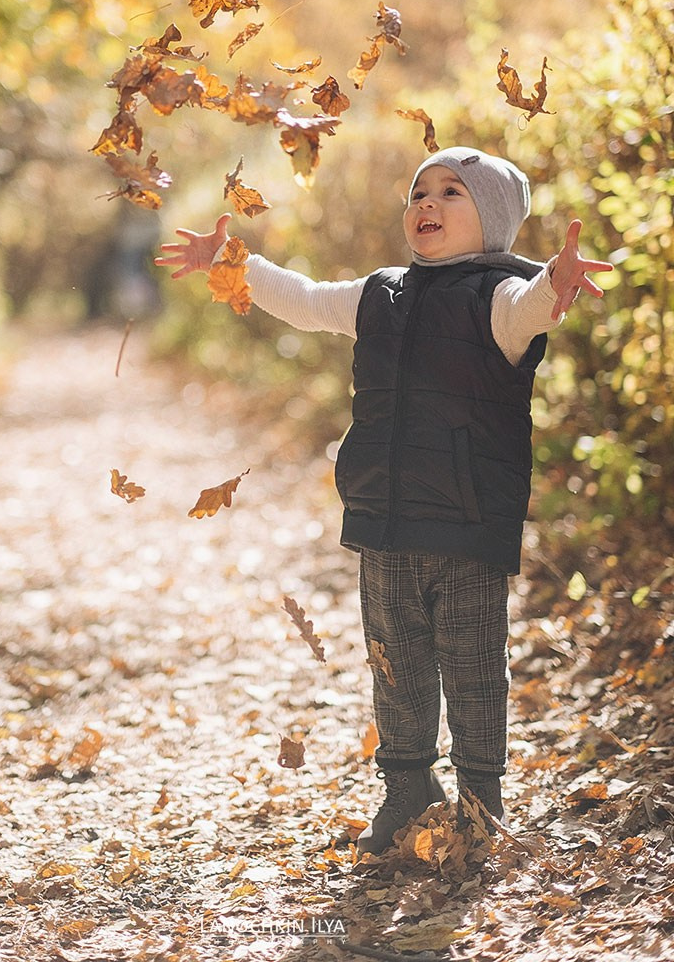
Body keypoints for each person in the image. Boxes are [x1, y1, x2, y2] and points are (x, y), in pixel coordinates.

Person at [155, 145, 613, 853]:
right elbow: (306, 300)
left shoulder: (498, 297)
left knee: (472, 668)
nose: (428, 203)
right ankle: (406, 790)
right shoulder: (380, 293)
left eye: (452, 192)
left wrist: (555, 281)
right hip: (384, 518)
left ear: (492, 219)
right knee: (394, 662)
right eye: (419, 193)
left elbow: (531, 310)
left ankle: (481, 800)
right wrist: (235, 263)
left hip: (467, 521)